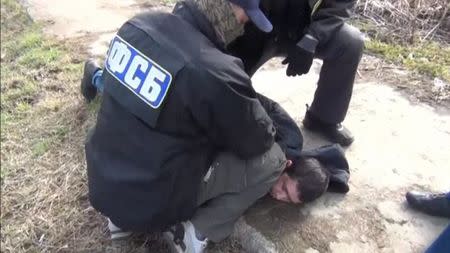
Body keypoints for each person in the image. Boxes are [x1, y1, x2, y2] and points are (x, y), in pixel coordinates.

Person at [84, 0, 288, 252]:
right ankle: (194, 233)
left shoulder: (138, 25)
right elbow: (256, 139)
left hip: (102, 183)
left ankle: (119, 221)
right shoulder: (215, 69)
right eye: (244, 14)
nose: (244, 23)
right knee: (274, 159)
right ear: (222, 7)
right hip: (156, 205)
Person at [227, 0, 365, 146]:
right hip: (255, 24)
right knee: (224, 82)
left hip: (301, 29)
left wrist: (313, 37)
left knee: (351, 42)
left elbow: (340, 5)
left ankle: (324, 119)